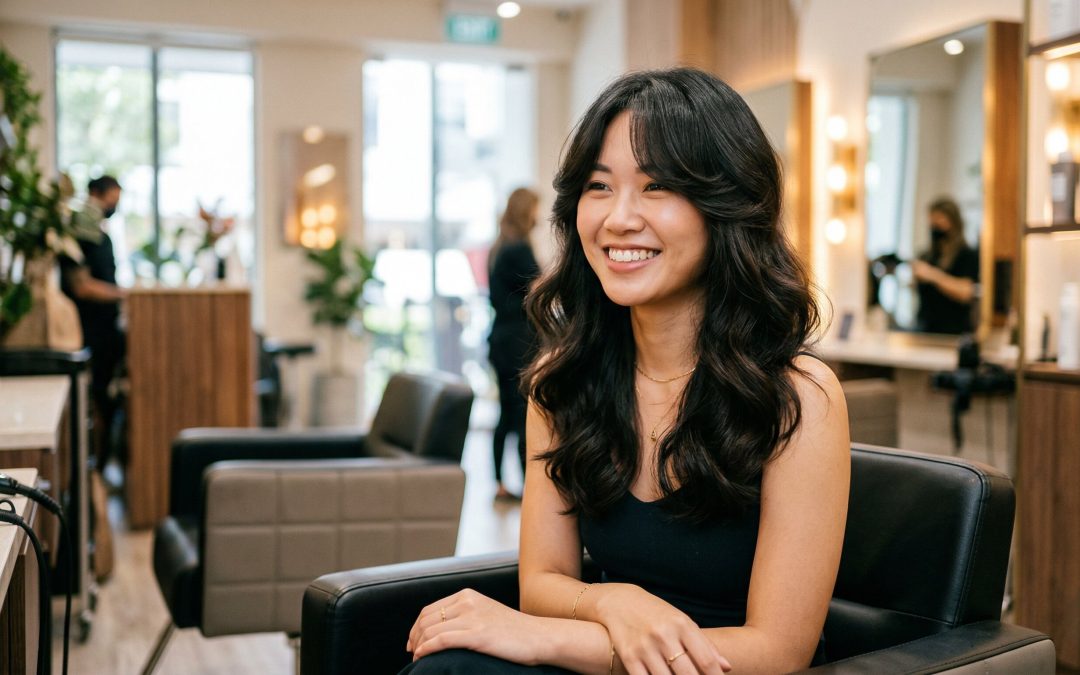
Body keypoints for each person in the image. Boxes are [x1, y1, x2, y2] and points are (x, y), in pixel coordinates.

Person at [401, 68, 850, 674]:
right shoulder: (564, 381)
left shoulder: (798, 396)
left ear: (726, 204)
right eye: (599, 185)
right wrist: (616, 601)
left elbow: (778, 650)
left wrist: (550, 638)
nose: (618, 219)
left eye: (657, 186)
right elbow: (544, 581)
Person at [60, 175, 127, 465]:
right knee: (96, 398)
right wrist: (122, 294)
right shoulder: (80, 230)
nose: (114, 205)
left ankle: (100, 464)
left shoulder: (97, 232)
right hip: (90, 330)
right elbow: (81, 285)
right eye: (112, 197)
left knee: (106, 396)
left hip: (104, 329)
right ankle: (95, 466)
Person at [487, 187, 542, 501]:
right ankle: (530, 487)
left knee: (506, 414)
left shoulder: (500, 246)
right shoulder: (519, 249)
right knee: (524, 414)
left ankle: (498, 482)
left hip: (500, 339)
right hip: (518, 341)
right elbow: (540, 290)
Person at [911, 197, 979, 335]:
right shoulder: (927, 257)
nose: (935, 226)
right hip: (925, 330)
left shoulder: (967, 255)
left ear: (954, 222)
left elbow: (966, 292)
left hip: (953, 332)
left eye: (940, 220)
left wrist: (931, 275)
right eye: (932, 220)